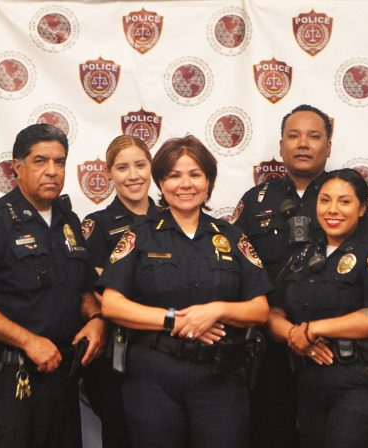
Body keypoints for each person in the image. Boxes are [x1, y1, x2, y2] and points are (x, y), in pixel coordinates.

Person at [97, 135, 271, 448]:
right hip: (153, 379)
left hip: (220, 379)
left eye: (195, 174)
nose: (185, 184)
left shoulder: (232, 236)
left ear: (209, 181)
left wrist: (216, 310)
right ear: (161, 183)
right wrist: (173, 320)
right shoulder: (139, 235)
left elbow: (259, 309)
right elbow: (111, 305)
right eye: (174, 175)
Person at [0, 123, 105, 448]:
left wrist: (96, 321)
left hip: (62, 378)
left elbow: (85, 291)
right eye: (40, 161)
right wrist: (28, 341)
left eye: (59, 162)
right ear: (16, 167)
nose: (52, 171)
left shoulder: (69, 223)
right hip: (10, 381)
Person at [267, 169, 368, 448]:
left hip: (360, 384)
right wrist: (295, 335)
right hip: (309, 384)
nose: (333, 210)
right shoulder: (303, 254)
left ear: (362, 208)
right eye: (325, 200)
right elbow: (272, 313)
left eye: (344, 202)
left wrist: (314, 329)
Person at [231, 104, 334, 448]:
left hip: (333, 346)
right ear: (281, 146)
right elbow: (235, 269)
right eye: (294, 135)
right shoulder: (257, 199)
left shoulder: (347, 196)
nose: (303, 143)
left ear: (329, 146)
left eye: (314, 136)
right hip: (269, 345)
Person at [80, 135, 160, 448]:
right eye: (123, 167)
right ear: (109, 174)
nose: (133, 175)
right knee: (120, 434)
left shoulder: (171, 217)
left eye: (140, 165)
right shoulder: (96, 225)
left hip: (164, 351)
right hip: (117, 355)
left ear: (151, 168)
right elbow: (104, 292)